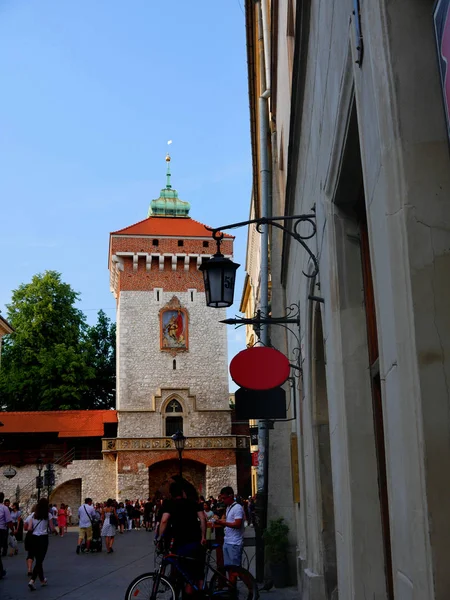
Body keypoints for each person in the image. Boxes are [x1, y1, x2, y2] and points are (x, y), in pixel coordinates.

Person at [159, 481, 207, 597]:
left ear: (171, 494)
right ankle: (201, 593)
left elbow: (164, 520)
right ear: (183, 493)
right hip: (196, 541)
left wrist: (160, 537)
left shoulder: (170, 504)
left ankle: (188, 595)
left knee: (186, 574)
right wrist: (203, 537)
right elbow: (203, 519)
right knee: (198, 572)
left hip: (182, 542)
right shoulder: (193, 503)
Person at [24, 497, 55, 590]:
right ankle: (32, 580)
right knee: (40, 560)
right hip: (43, 538)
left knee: (38, 559)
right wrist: (55, 531)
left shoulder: (33, 515)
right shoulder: (48, 515)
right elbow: (52, 528)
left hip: (34, 538)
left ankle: (42, 580)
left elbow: (29, 528)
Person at [216, 486, 245, 569]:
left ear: (231, 496)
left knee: (236, 570)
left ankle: (250, 581)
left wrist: (224, 523)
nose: (223, 500)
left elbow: (237, 524)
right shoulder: (228, 507)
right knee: (229, 569)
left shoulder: (237, 507)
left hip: (235, 543)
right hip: (227, 541)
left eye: (224, 498)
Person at [0, 492, 12, 579]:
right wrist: (13, 530)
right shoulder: (5, 508)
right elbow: (9, 521)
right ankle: (0, 571)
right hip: (1, 530)